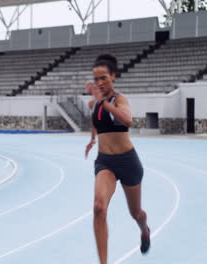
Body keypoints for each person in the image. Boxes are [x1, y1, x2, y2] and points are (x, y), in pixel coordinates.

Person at [85, 54, 150, 264]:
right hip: (105, 162)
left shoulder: (119, 99)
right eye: (96, 79)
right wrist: (92, 138)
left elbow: (128, 120)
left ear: (113, 76)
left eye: (104, 78)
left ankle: (144, 228)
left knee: (136, 213)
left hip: (128, 162)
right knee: (98, 207)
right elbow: (97, 120)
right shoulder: (93, 103)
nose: (100, 83)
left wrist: (105, 103)